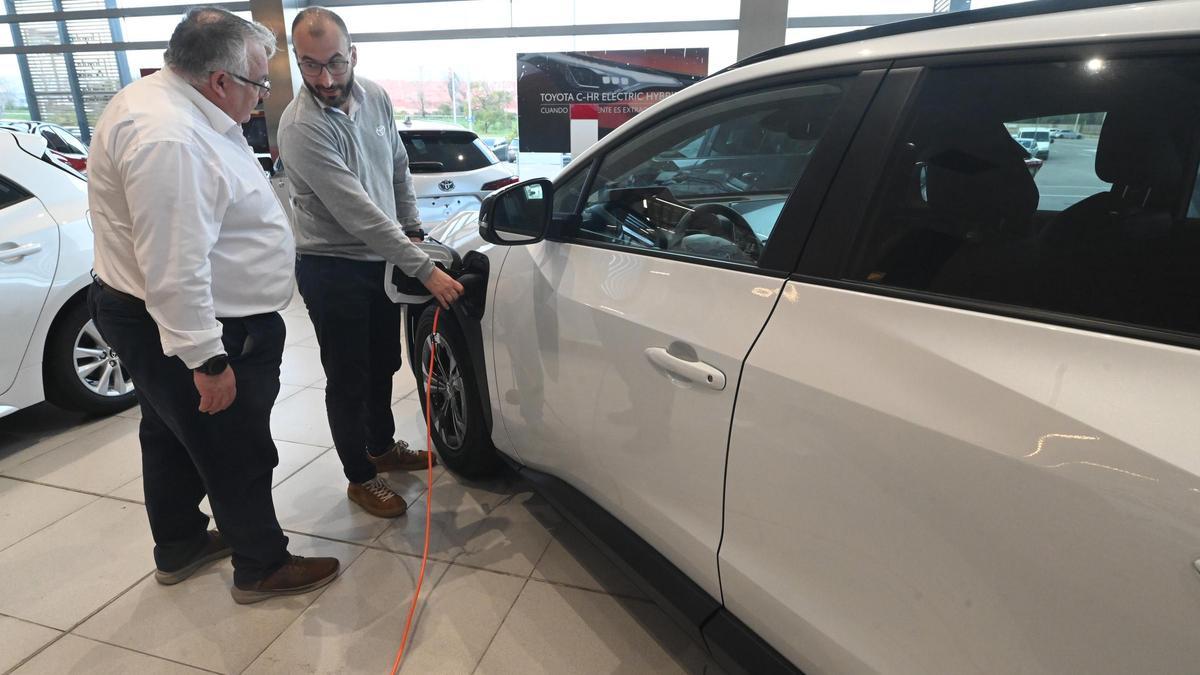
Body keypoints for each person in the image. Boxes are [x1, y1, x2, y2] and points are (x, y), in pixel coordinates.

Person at [87, 7, 339, 603]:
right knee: (235, 445)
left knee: (170, 435)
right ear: (219, 80)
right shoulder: (170, 138)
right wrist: (209, 362)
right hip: (196, 326)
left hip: (153, 315)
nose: (264, 95)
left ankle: (179, 543)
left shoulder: (164, 101)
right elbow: (174, 267)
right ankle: (261, 566)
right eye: (259, 82)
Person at [278, 7, 463, 518]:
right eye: (310, 66)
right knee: (348, 376)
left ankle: (381, 447)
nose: (326, 78)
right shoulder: (301, 127)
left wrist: (414, 232)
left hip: (379, 262)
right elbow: (358, 213)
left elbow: (399, 167)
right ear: (297, 62)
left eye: (335, 63)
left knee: (384, 362)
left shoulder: (376, 98)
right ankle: (360, 477)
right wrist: (425, 267)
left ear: (353, 55)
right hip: (332, 267)